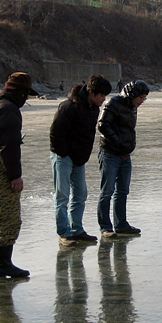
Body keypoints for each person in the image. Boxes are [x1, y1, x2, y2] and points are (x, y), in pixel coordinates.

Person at [0, 72, 38, 278]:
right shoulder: (8, 110)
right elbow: (8, 147)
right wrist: (15, 176)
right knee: (6, 220)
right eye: (26, 95)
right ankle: (3, 265)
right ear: (19, 92)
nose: (26, 99)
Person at [50, 75, 112, 247]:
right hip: (63, 157)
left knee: (80, 194)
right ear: (91, 92)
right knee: (62, 196)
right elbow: (55, 133)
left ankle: (76, 229)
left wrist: (81, 155)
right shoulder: (68, 107)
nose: (104, 99)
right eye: (101, 95)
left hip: (79, 158)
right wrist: (64, 153)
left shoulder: (93, 108)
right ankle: (64, 233)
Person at [97, 80, 149, 238]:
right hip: (110, 154)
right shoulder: (113, 103)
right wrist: (118, 141)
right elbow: (102, 125)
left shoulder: (133, 107)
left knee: (122, 191)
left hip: (125, 155)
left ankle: (121, 224)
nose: (141, 101)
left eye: (144, 98)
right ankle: (105, 227)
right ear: (132, 94)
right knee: (107, 191)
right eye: (140, 97)